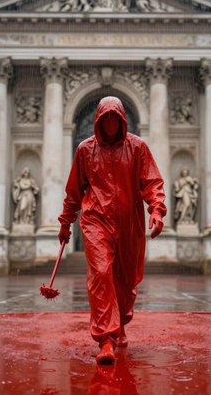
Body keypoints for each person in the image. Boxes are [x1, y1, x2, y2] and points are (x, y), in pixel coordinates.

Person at [58, 96, 166, 365]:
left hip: (129, 222)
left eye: (114, 118)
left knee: (125, 282)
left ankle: (120, 324)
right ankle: (106, 339)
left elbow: (152, 181)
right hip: (95, 220)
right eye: (105, 118)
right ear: (97, 120)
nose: (109, 123)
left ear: (121, 119)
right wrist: (65, 221)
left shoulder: (138, 147)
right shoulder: (84, 150)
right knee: (101, 274)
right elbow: (74, 191)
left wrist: (156, 209)